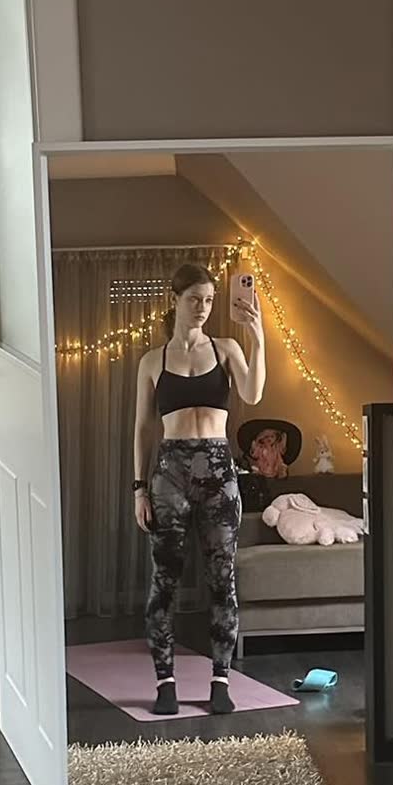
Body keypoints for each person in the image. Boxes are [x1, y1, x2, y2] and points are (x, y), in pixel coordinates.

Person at [133, 262, 265, 716]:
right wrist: (138, 489)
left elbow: (252, 393)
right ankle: (165, 682)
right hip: (169, 473)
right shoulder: (152, 361)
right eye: (194, 299)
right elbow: (142, 429)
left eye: (209, 300)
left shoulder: (226, 349)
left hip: (218, 473)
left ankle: (220, 681)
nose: (203, 308)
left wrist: (258, 338)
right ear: (175, 300)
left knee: (222, 580)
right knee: (163, 582)